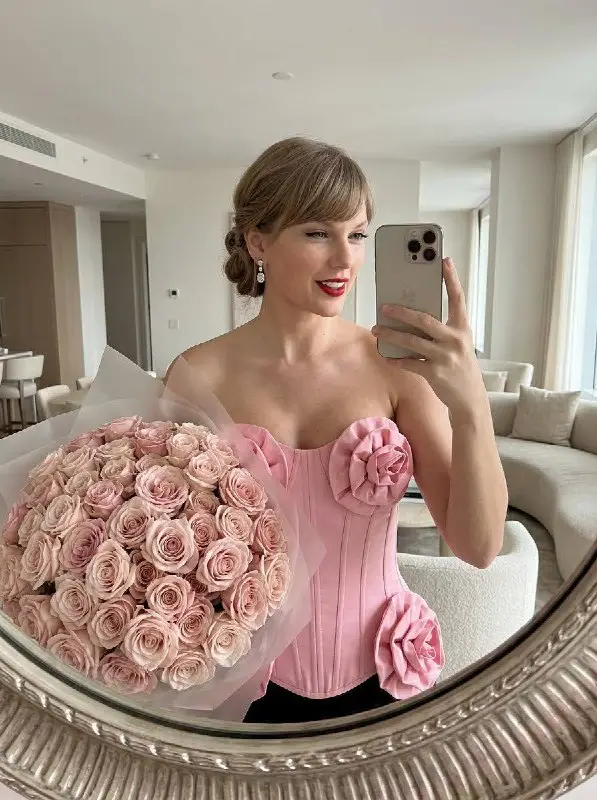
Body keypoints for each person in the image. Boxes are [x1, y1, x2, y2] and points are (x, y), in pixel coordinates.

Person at [167, 136, 507, 723]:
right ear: (257, 242)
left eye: (356, 234)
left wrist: (471, 405)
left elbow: (478, 547)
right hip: (236, 683)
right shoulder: (197, 374)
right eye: (317, 233)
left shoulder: (394, 366)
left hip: (381, 674)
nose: (345, 260)